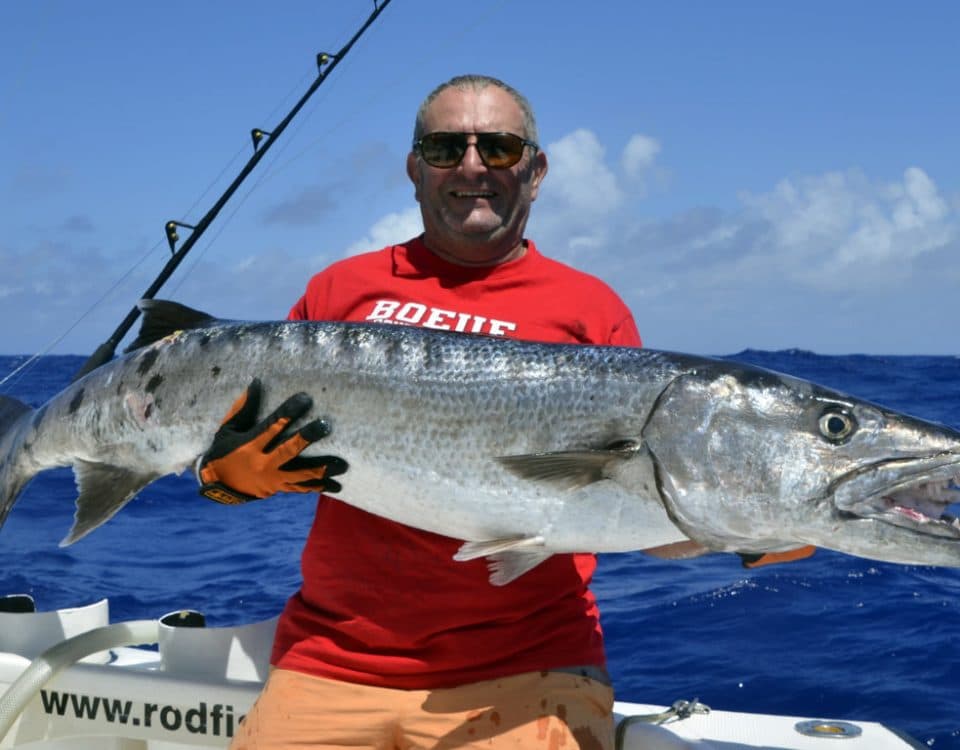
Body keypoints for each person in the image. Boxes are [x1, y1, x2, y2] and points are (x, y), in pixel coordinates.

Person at [197, 73, 634, 749]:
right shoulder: (341, 290)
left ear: (536, 170)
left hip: (528, 667)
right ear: (413, 168)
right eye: (443, 147)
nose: (470, 166)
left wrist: (755, 533)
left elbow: (647, 504)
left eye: (497, 147)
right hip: (333, 659)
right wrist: (224, 478)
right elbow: (238, 452)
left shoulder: (590, 309)